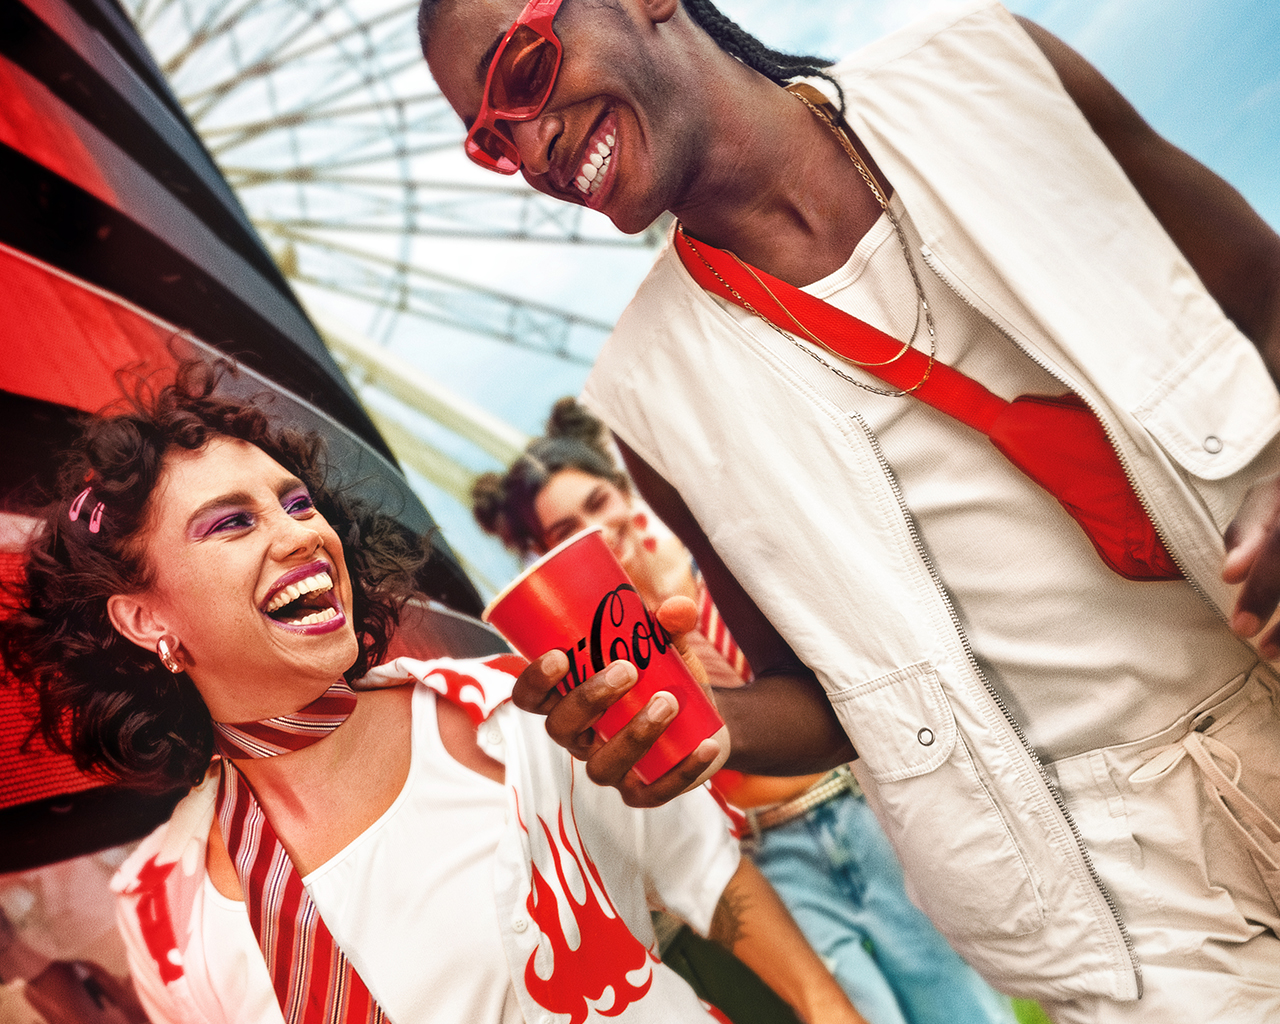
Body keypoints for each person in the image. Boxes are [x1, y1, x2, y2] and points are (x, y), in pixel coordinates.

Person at [419, 0, 1280, 1020]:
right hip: (1125, 887)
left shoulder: (984, 74)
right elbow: (823, 698)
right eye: (487, 138)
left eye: (520, 74)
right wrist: (691, 728)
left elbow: (1259, 297)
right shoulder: (647, 397)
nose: (526, 148)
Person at [0, 360, 865, 1024]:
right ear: (145, 620)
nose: (302, 533)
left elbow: (703, 872)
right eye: (233, 522)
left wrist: (833, 1012)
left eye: (298, 503)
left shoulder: (511, 711)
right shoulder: (161, 911)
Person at [474, 396, 1020, 1024]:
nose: (597, 530)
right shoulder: (604, 664)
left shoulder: (727, 575)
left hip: (857, 812)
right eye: (566, 532)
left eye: (597, 504)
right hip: (772, 856)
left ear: (623, 492)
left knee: (963, 1009)